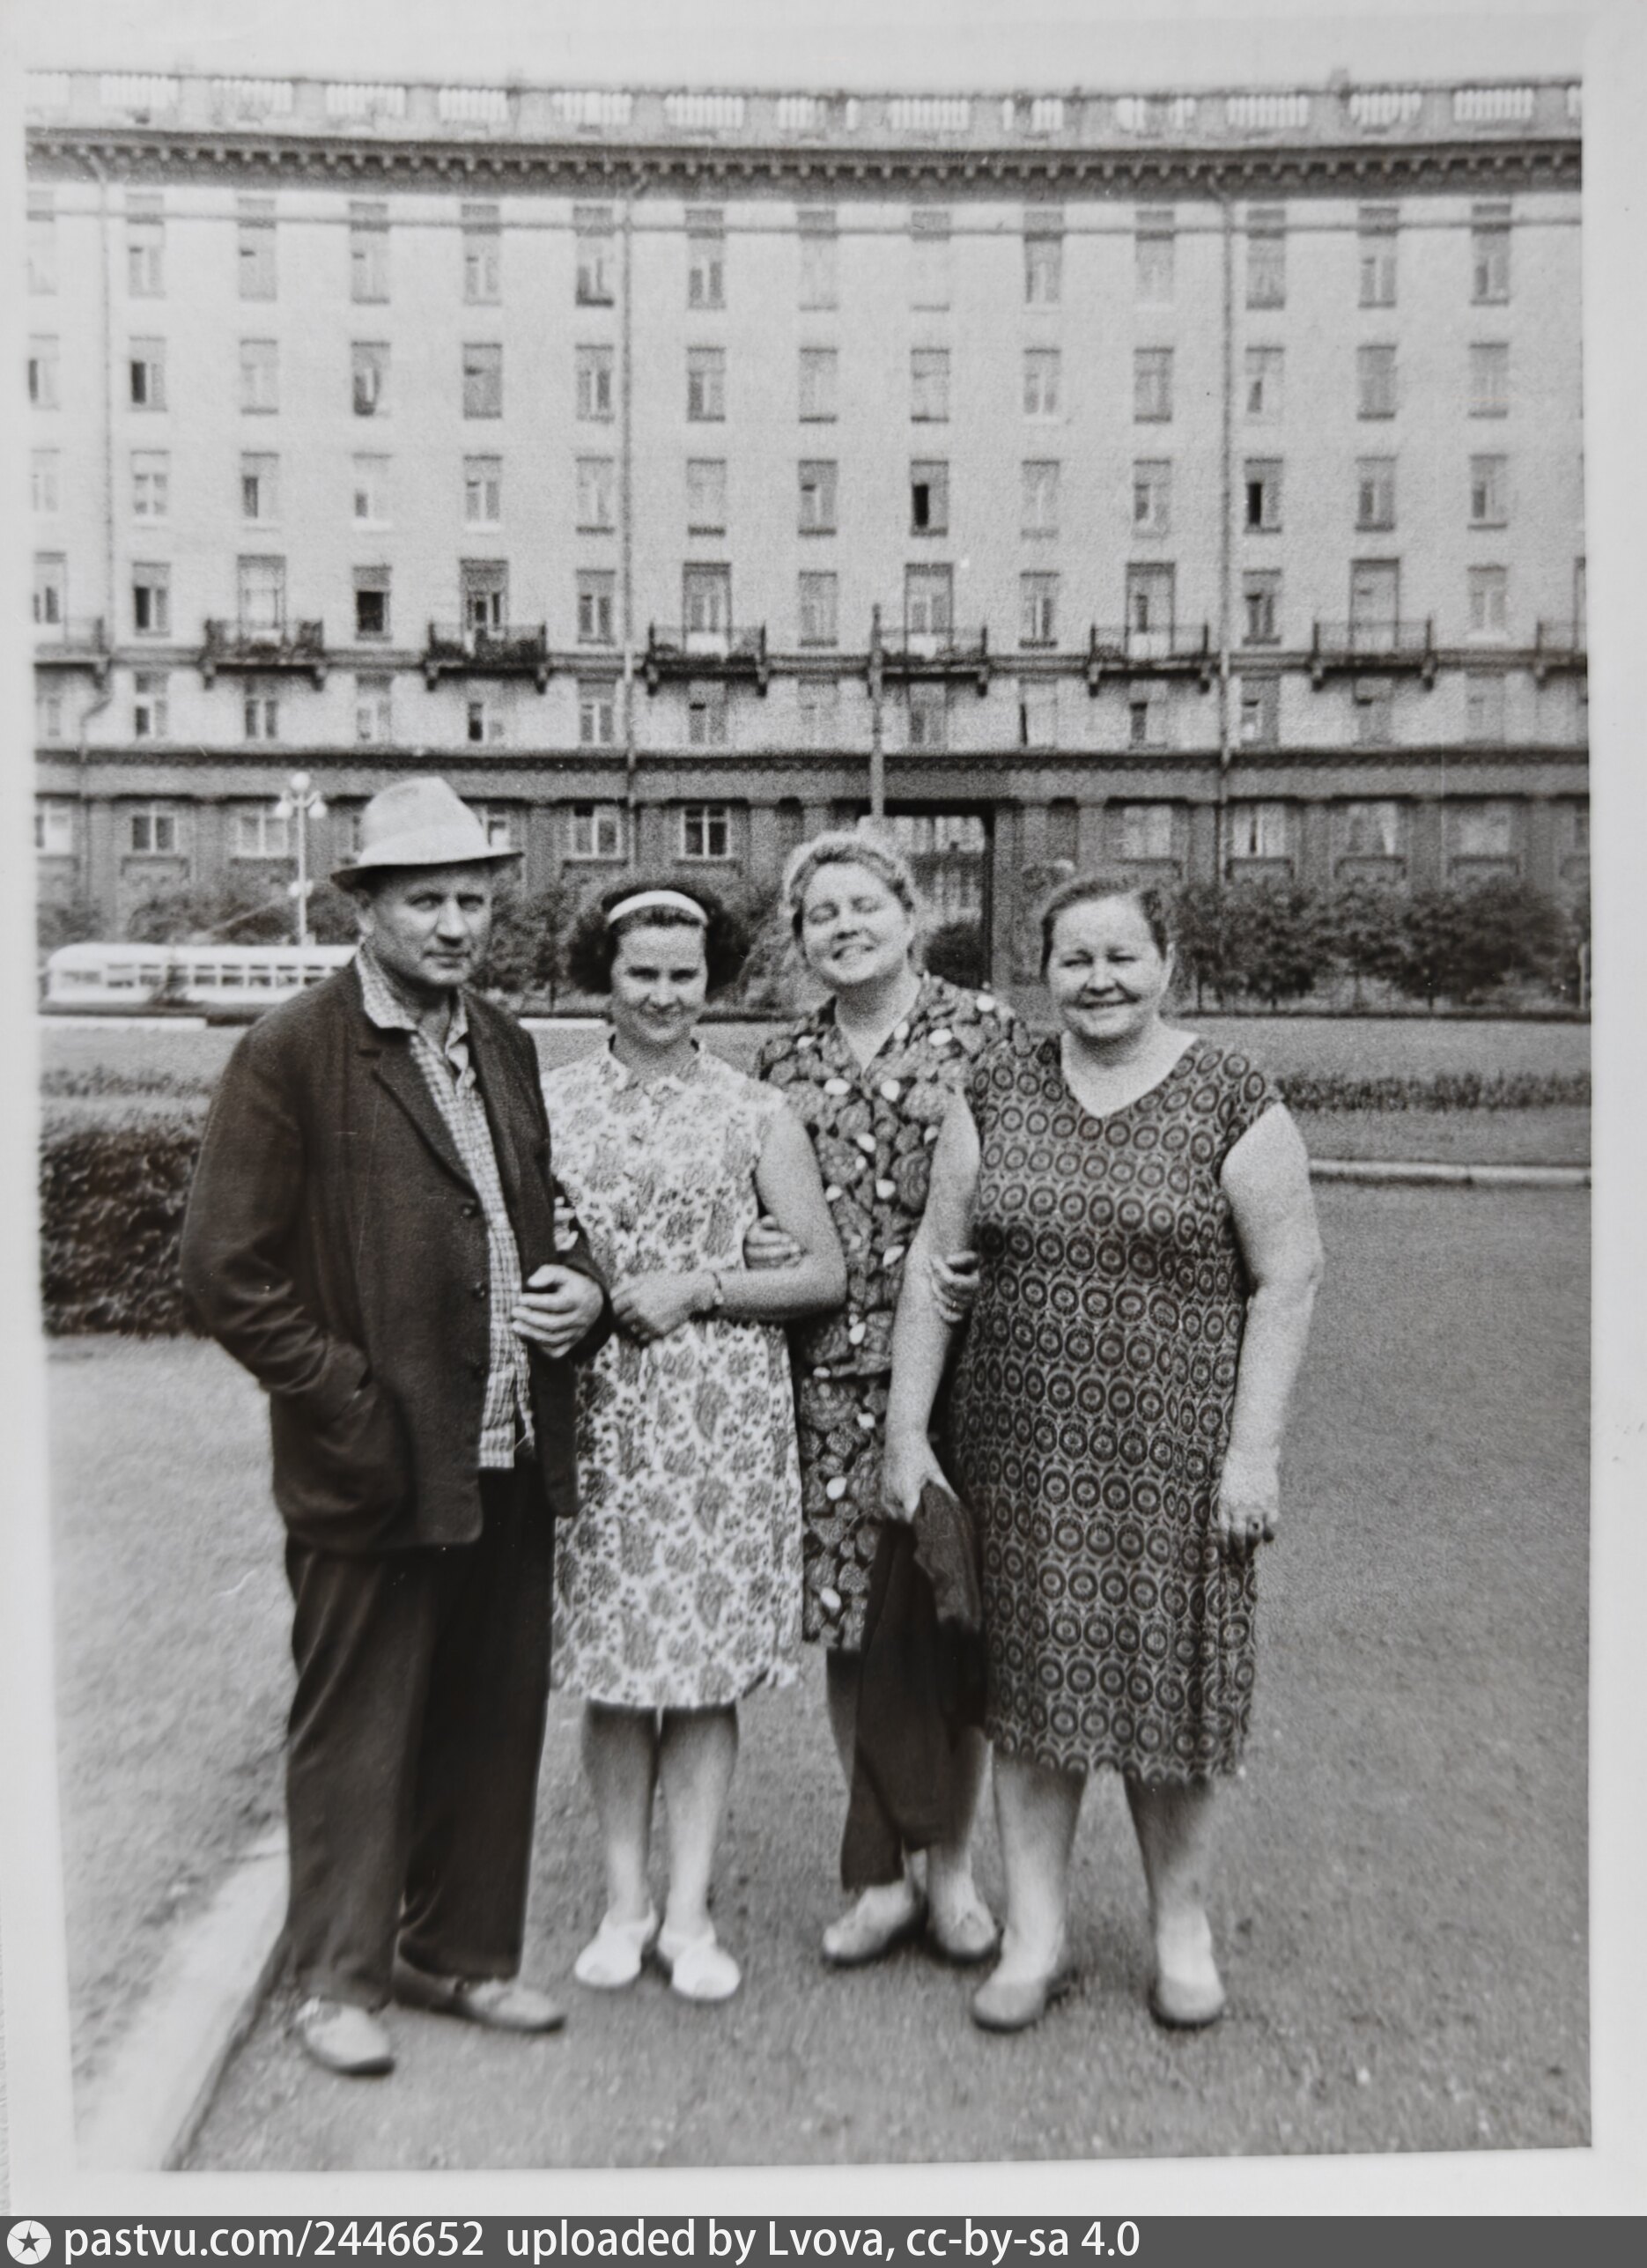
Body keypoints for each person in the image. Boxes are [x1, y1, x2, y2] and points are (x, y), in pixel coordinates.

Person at [180, 777, 609, 2079]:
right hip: (372, 1459)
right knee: (358, 1723)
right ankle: (336, 1979)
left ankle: (457, 1952)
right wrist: (350, 1398)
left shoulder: (505, 1040)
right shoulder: (293, 1050)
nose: (456, 923)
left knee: (491, 1712)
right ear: (364, 906)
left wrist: (580, 1284)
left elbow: (534, 1211)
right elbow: (224, 1272)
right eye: (426, 899)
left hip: (507, 1444)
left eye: (474, 898)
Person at [883, 872, 1325, 2032]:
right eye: (1074, 958)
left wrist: (1253, 1452)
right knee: (1030, 1697)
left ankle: (1180, 1931)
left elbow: (1287, 1279)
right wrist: (907, 1430)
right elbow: (934, 1263)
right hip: (1020, 1457)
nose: (1098, 979)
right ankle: (1034, 1934)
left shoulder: (1230, 1094)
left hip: (1177, 1460)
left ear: (1165, 960)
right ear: (1044, 971)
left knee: (1170, 1696)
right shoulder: (998, 1086)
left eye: (1121, 954)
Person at [543, 878, 846, 2004]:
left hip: (718, 1419)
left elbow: (821, 1272)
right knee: (618, 1669)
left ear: (711, 979)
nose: (665, 995)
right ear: (605, 976)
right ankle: (623, 1903)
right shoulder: (552, 1103)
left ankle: (688, 1912)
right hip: (600, 1411)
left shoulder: (753, 1111)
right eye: (643, 973)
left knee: (702, 1670)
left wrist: (704, 1284)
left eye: (685, 974)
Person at [752, 830, 1029, 1969]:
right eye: (821, 914)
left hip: (963, 1369)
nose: (844, 927)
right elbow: (757, 1206)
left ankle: (950, 1871)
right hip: (824, 1375)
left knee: (953, 1620)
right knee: (853, 1626)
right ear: (800, 938)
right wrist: (756, 1243)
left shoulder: (988, 1034)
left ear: (910, 916)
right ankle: (876, 1875)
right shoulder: (779, 1061)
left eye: (864, 905)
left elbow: (1029, 1182)